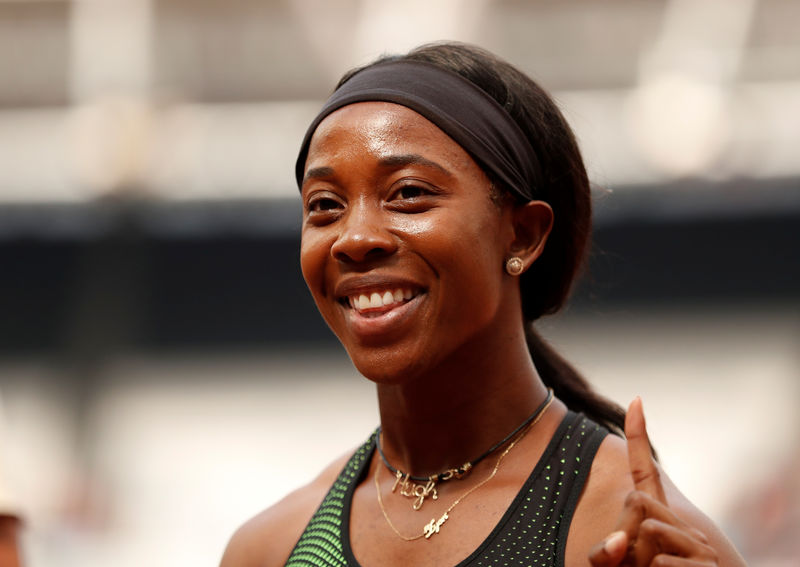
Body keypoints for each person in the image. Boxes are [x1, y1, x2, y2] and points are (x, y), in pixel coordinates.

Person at [220, 42, 746, 567]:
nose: (354, 238)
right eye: (325, 206)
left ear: (521, 235)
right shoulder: (273, 547)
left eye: (407, 193)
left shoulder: (625, 535)